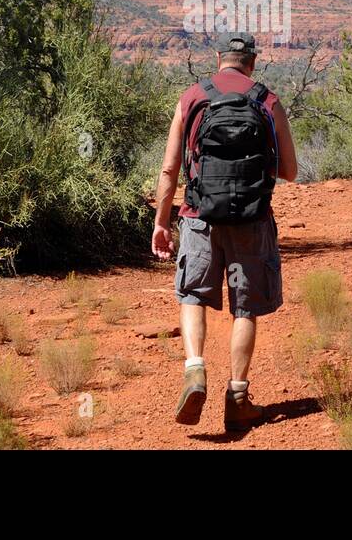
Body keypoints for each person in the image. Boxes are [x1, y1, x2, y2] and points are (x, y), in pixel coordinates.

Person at [151, 33, 298, 430]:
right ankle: (237, 396)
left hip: (199, 216)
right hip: (252, 219)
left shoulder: (191, 98)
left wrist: (162, 222)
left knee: (193, 295)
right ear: (251, 62)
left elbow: (168, 170)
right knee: (245, 306)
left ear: (219, 59)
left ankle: (195, 370)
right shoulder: (268, 101)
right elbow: (289, 171)